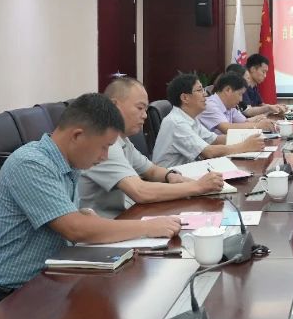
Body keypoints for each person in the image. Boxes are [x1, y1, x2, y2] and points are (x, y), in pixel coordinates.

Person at [0, 93, 182, 293]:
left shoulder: (71, 163)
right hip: (13, 291)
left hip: (55, 276)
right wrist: (148, 227)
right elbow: (75, 229)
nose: (105, 156)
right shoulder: (31, 164)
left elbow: (73, 223)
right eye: (104, 147)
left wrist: (82, 218)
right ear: (77, 135)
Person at [79, 76, 226, 218]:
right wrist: (198, 187)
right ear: (114, 106)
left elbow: (152, 170)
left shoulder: (123, 140)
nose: (144, 115)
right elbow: (140, 191)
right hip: (109, 224)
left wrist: (170, 176)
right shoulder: (104, 144)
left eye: (145, 109)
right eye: (139, 108)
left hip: (127, 214)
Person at [152, 72, 264, 168]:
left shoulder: (190, 117)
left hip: (188, 171)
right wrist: (244, 146)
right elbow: (208, 152)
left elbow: (215, 140)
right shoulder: (176, 122)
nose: (205, 94)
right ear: (185, 98)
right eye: (200, 90)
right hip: (171, 179)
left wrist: (249, 137)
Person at [199, 73, 276, 135]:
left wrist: (262, 121)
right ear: (228, 90)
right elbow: (227, 128)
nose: (241, 99)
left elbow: (244, 122)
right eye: (240, 94)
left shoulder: (229, 106)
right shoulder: (210, 105)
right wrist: (259, 125)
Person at [239, 54, 284, 118]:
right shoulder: (242, 87)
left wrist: (276, 107)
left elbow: (260, 105)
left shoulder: (254, 86)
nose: (265, 76)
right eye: (263, 72)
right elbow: (248, 111)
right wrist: (268, 107)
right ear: (253, 69)